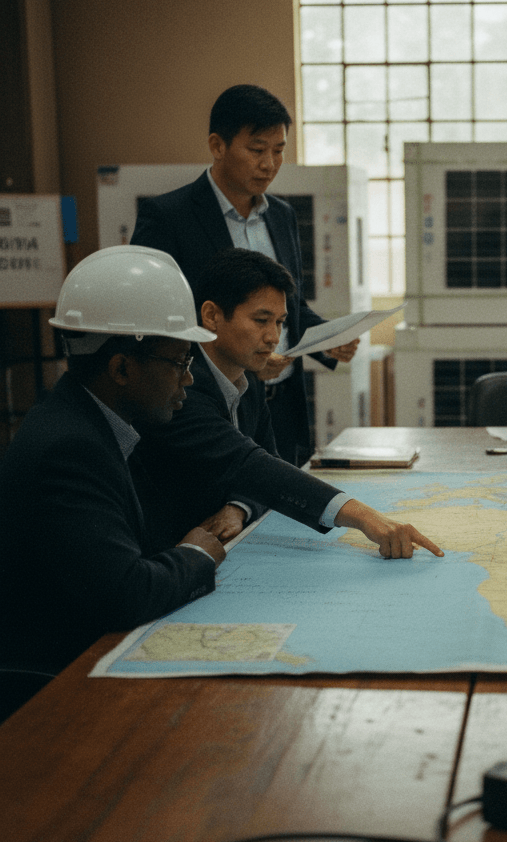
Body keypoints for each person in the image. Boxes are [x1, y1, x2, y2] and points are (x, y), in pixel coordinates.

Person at [133, 248, 444, 562]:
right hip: (164, 557)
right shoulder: (181, 388)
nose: (273, 337)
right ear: (212, 316)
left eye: (280, 322)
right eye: (261, 320)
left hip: (226, 546)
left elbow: (268, 459)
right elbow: (249, 464)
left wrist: (239, 507)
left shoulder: (248, 379)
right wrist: (365, 518)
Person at [0, 247, 225, 674]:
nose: (190, 379)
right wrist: (197, 556)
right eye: (180, 361)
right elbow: (128, 594)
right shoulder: (69, 450)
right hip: (54, 687)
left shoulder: (88, 422)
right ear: (121, 368)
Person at [130, 83, 357, 466]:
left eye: (279, 150)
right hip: (205, 405)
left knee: (283, 506)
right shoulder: (169, 217)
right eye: (256, 150)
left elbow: (289, 303)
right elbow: (154, 319)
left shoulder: (281, 216)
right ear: (218, 146)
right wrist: (241, 357)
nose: (269, 163)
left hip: (280, 406)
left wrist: (326, 339)